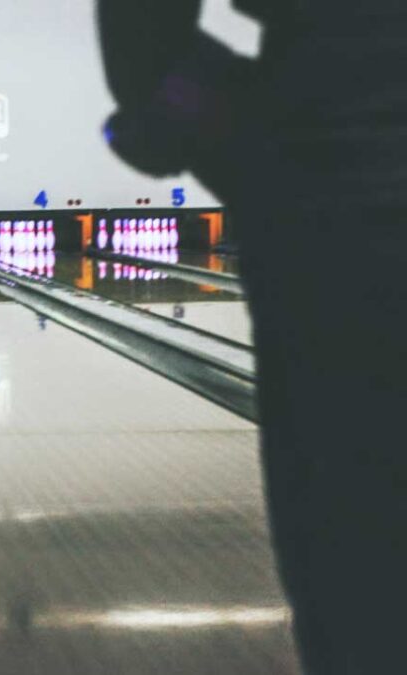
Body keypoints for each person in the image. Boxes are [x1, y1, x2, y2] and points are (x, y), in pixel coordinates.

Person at [97, 2, 407, 672]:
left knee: (359, 574)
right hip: (326, 142)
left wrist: (235, 131)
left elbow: (145, 51)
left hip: (332, 147)